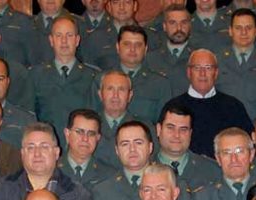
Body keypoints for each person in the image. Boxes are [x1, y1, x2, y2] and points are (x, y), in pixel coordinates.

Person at [165, 49, 252, 158]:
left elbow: (248, 145)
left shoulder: (234, 106)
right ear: (188, 72)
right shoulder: (173, 107)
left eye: (208, 68)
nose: (202, 73)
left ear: (216, 73)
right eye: (197, 68)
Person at [31, 15, 99, 149]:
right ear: (51, 40)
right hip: (46, 148)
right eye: (58, 35)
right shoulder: (35, 75)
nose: (64, 41)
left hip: (81, 148)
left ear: (77, 40)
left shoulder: (92, 76)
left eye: (69, 35)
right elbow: (30, 116)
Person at [88, 25, 172, 124]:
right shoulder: (101, 79)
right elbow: (92, 120)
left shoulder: (160, 84)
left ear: (145, 49)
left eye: (138, 45)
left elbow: (163, 124)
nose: (132, 49)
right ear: (118, 47)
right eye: (127, 44)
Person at [215, 8, 256, 119]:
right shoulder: (216, 61)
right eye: (238, 28)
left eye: (248, 28)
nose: (243, 32)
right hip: (224, 130)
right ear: (230, 31)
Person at [92, 70, 154, 169]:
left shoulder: (145, 126)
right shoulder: (89, 126)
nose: (115, 95)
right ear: (100, 94)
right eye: (110, 89)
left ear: (130, 95)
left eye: (121, 89)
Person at [154, 102, 221, 192]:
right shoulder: (143, 169)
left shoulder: (212, 171)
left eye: (183, 129)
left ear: (190, 133)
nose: (177, 135)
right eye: (170, 128)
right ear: (158, 129)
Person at [57, 109, 114, 189]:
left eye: (91, 134)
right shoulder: (52, 169)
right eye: (79, 132)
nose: (85, 139)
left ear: (98, 138)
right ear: (67, 134)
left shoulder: (109, 175)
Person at [146, 4, 194, 95]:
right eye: (172, 23)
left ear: (190, 25)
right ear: (164, 26)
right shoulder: (150, 59)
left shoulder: (199, 57)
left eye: (183, 22)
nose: (179, 28)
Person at [81, 0, 140, 70]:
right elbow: (89, 74)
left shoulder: (150, 38)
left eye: (127, 2)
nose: (121, 7)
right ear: (109, 6)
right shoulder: (95, 38)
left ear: (135, 6)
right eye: (116, 2)